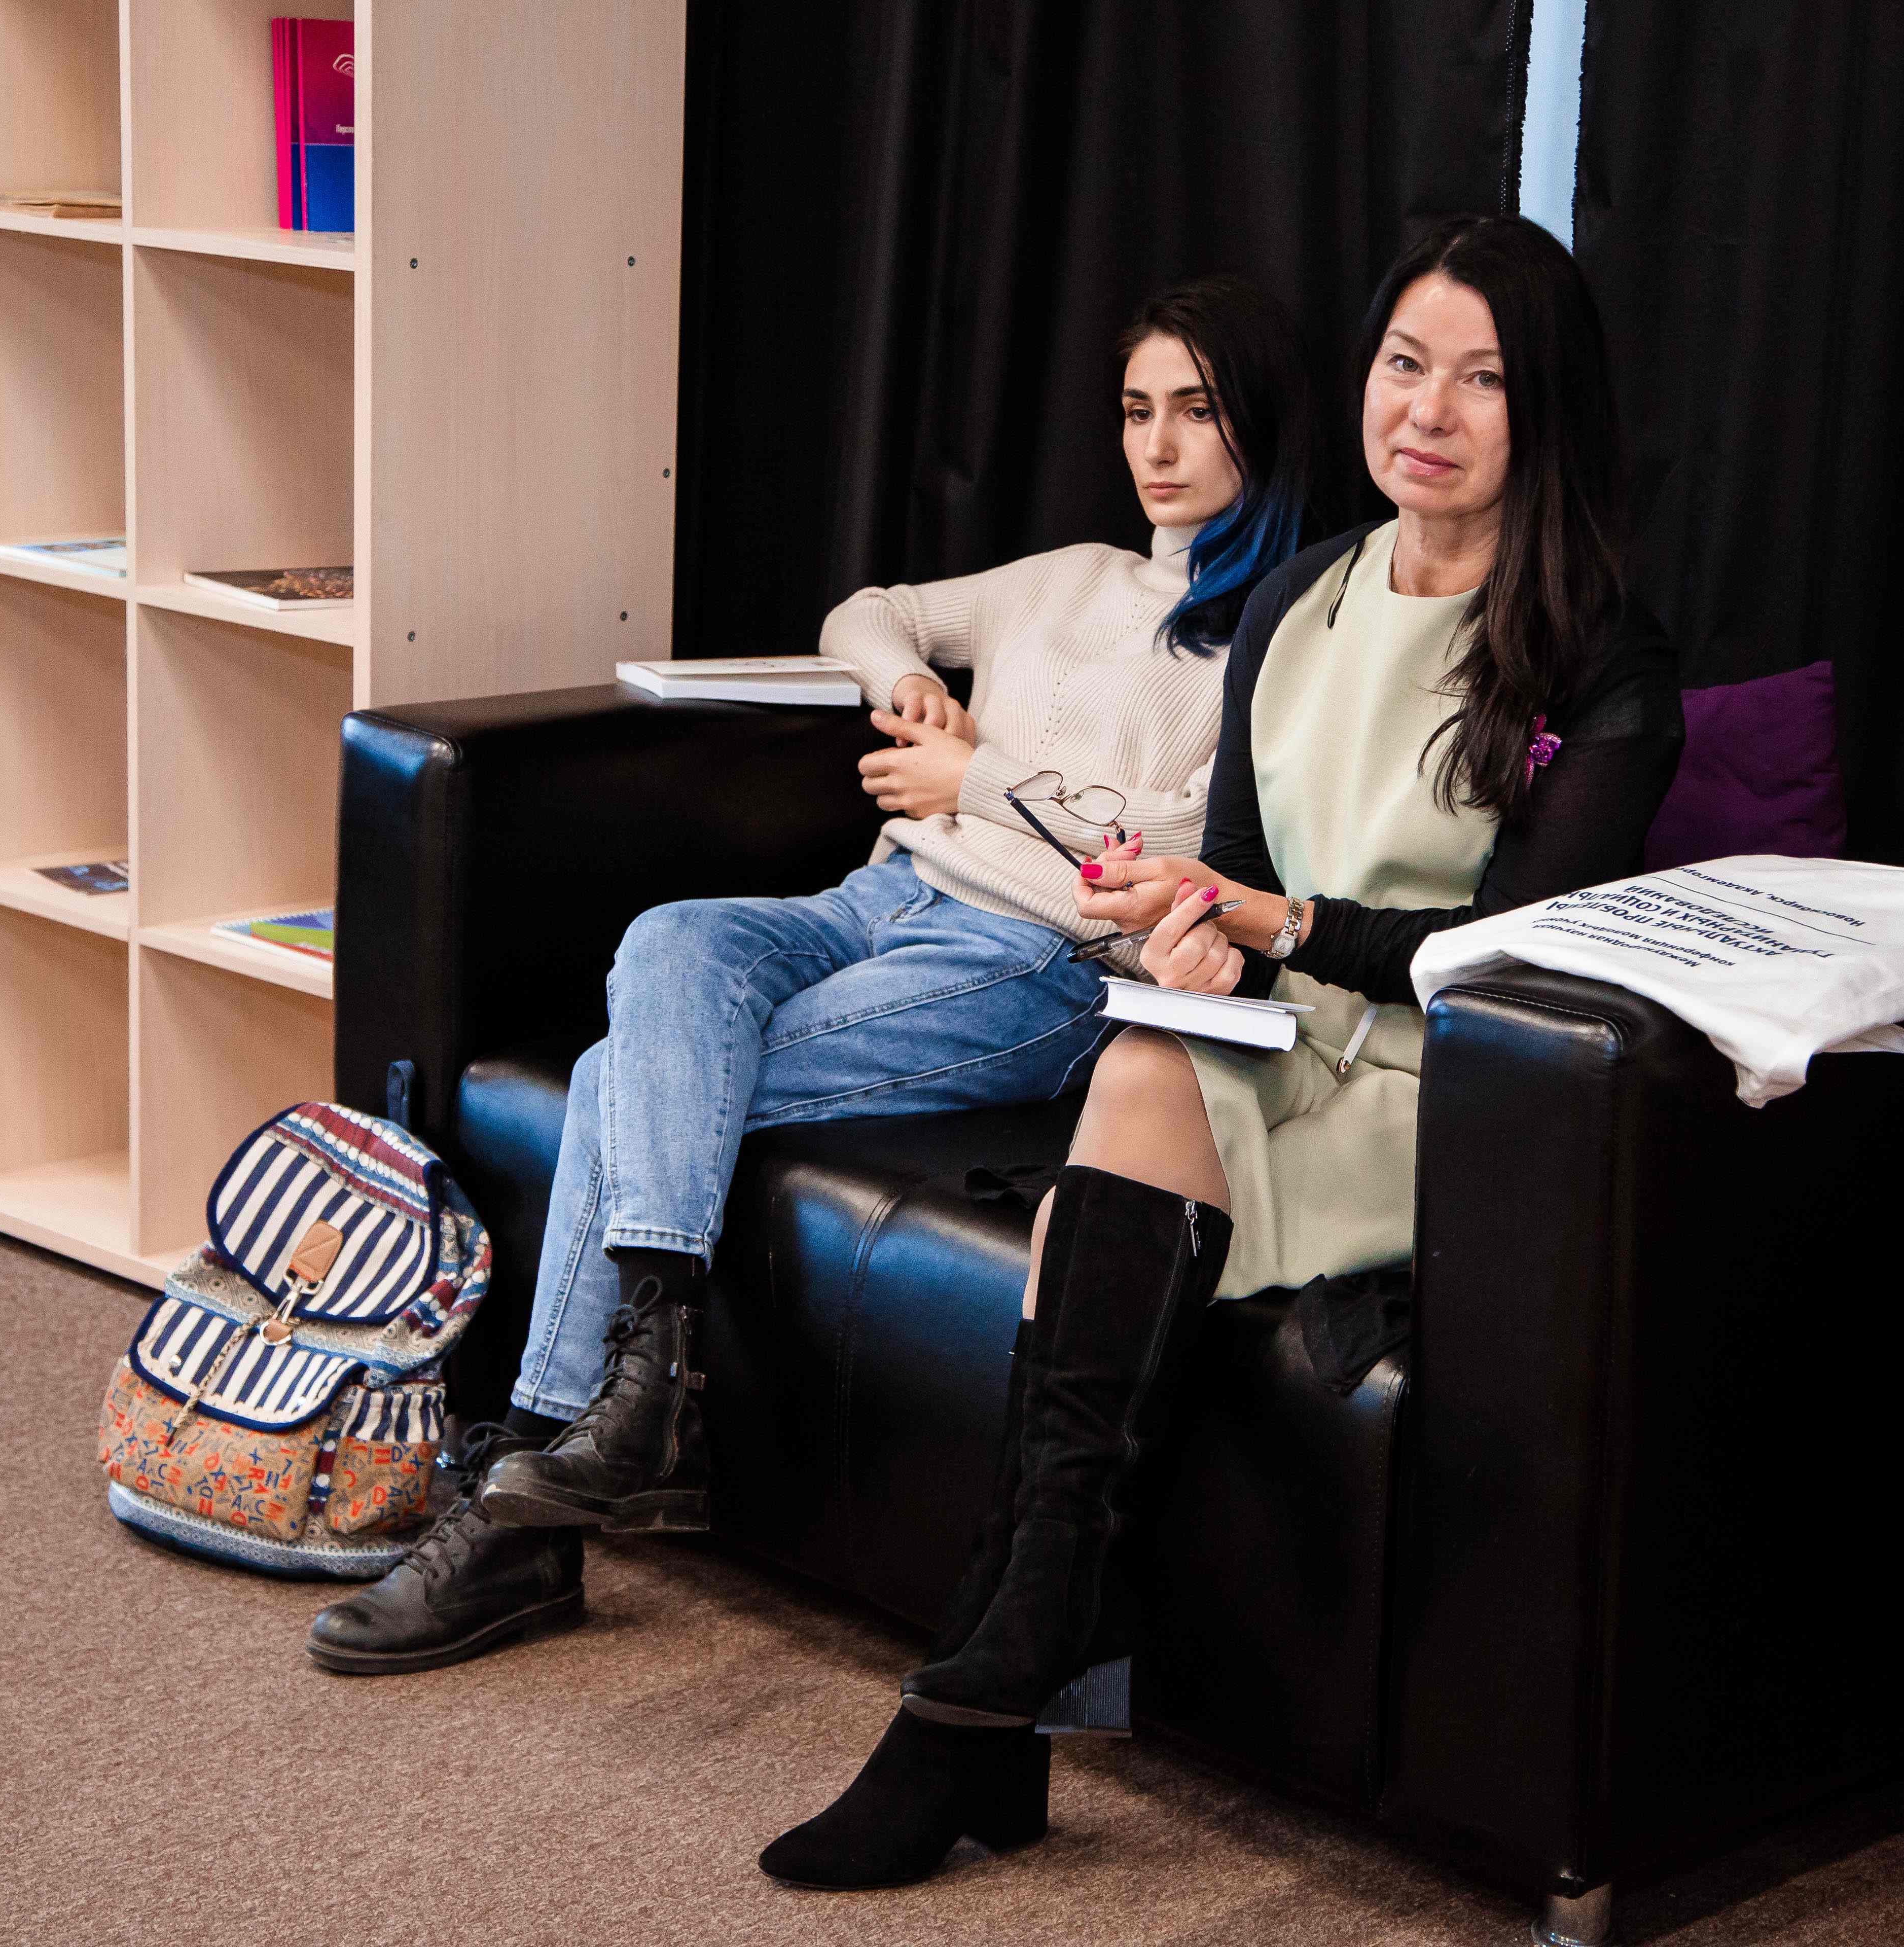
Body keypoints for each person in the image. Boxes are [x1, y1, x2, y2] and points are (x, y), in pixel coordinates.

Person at [758, 214, 1685, 1889]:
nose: (1428, 409)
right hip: (1279, 1036)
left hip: (1445, 1084)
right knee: (1132, 1082)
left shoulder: (1600, 652)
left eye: (1482, 380)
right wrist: (1208, 940)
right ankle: (1000, 1687)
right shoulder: (1299, 599)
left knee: (1099, 1171)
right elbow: (1237, 886)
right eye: (1405, 364)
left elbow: (1506, 957)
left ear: (1545, 409)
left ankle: (981, 1705)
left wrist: (1271, 924)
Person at [305, 277, 1322, 1674]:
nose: (1157, 444)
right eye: (1138, 409)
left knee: (616, 1076)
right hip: (880, 896)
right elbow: (868, 609)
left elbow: (1203, 847)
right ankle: (644, 1392)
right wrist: (908, 688)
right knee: (672, 939)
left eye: (1196, 411)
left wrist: (983, 778)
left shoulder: (1279, 635)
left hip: (1032, 960)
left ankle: (532, 1503)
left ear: (1258, 422)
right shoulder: (1068, 578)